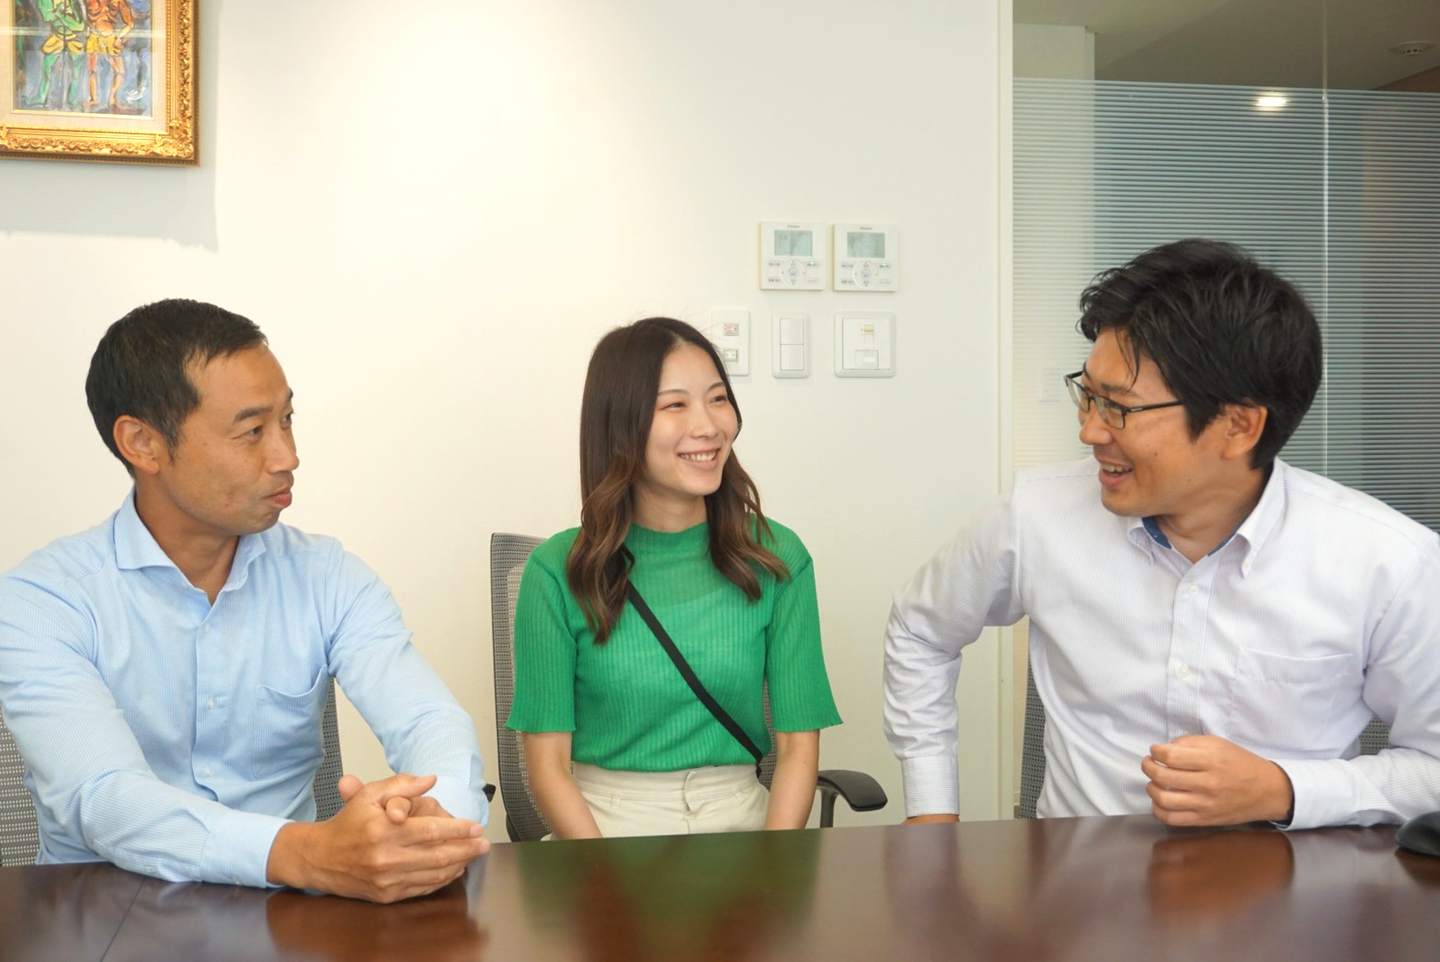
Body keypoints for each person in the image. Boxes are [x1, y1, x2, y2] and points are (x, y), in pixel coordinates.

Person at [884, 239, 1440, 830]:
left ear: (1238, 426)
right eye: (1088, 396)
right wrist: (932, 812)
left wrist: (1285, 790)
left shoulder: (1386, 562)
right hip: (1078, 876)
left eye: (1119, 408)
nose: (1090, 431)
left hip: (1294, 877)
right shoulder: (1037, 515)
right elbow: (920, 630)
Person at [0, 299, 490, 902]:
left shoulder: (328, 576)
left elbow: (429, 720)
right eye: (253, 431)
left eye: (287, 420)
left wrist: (436, 823)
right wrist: (308, 853)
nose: (287, 456)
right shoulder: (43, 601)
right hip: (106, 914)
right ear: (143, 444)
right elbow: (104, 798)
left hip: (290, 918)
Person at [507, 317, 841, 838]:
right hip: (601, 828)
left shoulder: (778, 557)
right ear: (621, 423)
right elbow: (547, 767)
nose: (708, 426)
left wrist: (775, 866)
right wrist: (602, 873)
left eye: (718, 399)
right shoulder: (556, 571)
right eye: (675, 405)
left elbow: (799, 746)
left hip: (745, 823)